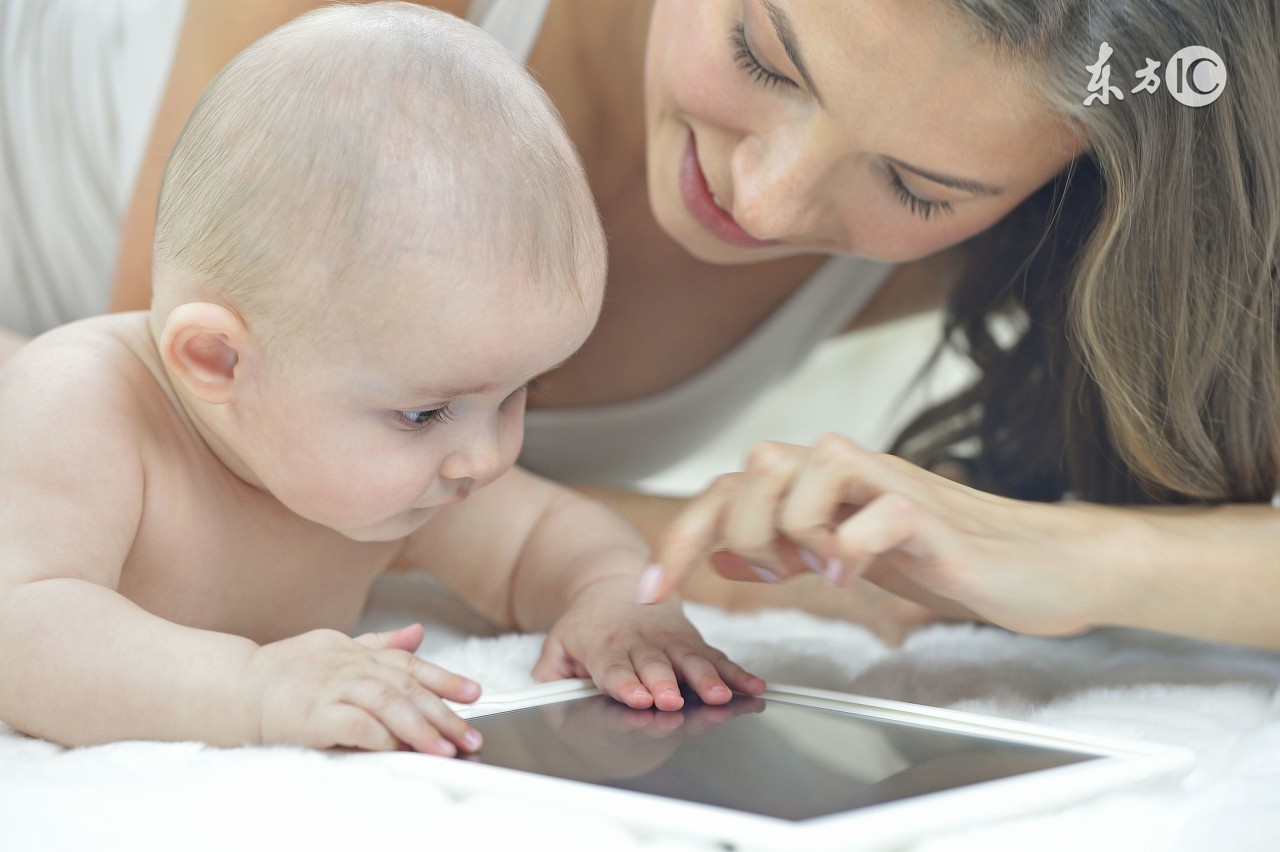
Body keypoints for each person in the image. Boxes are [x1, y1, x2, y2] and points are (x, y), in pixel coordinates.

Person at [0, 3, 764, 752]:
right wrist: (257, 687)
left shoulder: (406, 470)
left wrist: (612, 604)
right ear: (218, 361)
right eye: (425, 413)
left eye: (519, 393)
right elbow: (23, 634)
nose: (488, 457)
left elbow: (545, 537)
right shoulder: (81, 408)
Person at [635, 3, 1280, 652]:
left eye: (916, 190)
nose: (764, 207)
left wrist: (1082, 553)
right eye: (760, 57)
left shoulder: (1034, 237)